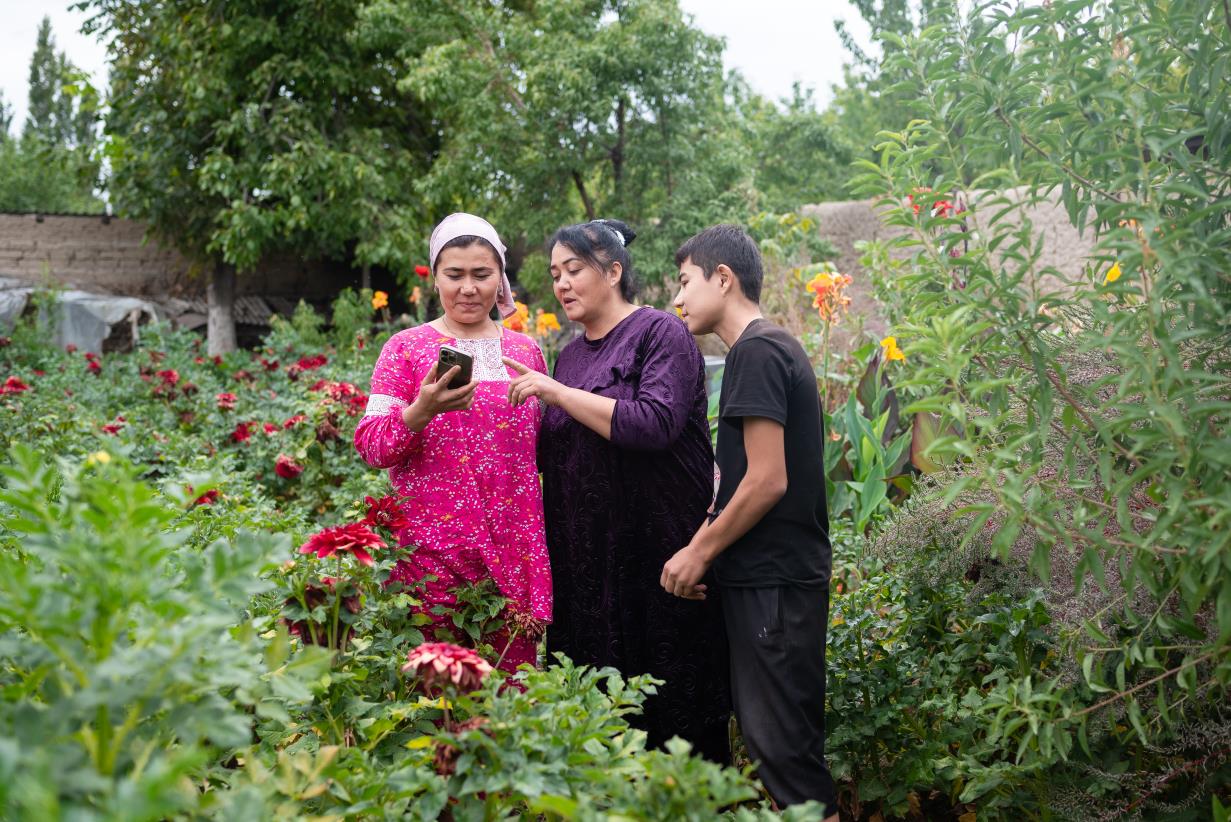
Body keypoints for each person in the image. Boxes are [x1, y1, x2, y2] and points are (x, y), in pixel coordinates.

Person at [503, 218, 731, 762]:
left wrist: (557, 394)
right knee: (601, 726)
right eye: (554, 274)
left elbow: (654, 423)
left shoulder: (660, 333)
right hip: (588, 575)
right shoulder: (570, 357)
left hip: (659, 564)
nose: (561, 284)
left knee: (675, 721)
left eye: (573, 269)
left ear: (613, 271)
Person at [661, 224, 838, 816]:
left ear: (723, 278)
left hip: (775, 585)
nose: (677, 299)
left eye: (684, 281)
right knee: (780, 751)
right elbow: (739, 480)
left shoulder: (756, 352)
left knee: (786, 758)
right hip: (771, 582)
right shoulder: (767, 348)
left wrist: (699, 552)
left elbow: (767, 480)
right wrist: (701, 547)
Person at [353, 213, 552, 672]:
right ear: (435, 278)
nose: (468, 288)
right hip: (430, 560)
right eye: (454, 274)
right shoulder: (405, 349)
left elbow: (544, 450)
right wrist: (419, 412)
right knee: (436, 692)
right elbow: (372, 445)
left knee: (510, 693)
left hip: (512, 556)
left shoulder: (525, 352)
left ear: (500, 278)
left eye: (482, 274)